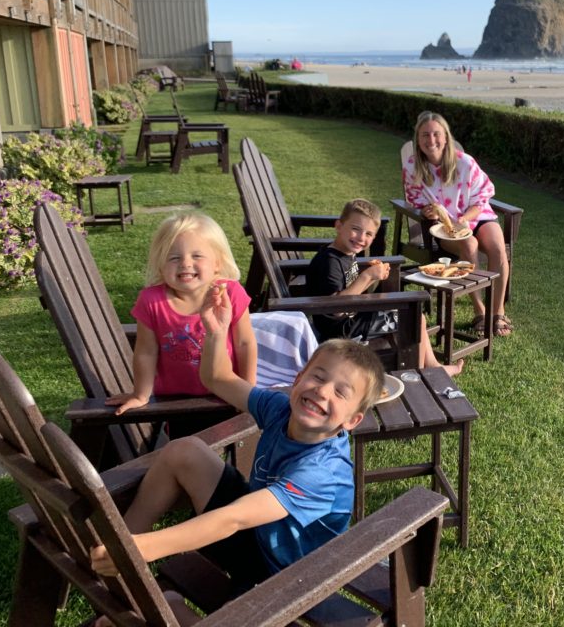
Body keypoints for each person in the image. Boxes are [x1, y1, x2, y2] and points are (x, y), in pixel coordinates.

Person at [89, 291, 383, 609]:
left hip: (284, 579)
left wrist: (146, 549)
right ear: (297, 379)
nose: (322, 391)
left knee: (171, 610)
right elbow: (217, 378)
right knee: (184, 451)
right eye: (317, 376)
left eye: (341, 392)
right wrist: (216, 333)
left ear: (353, 420)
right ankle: (117, 552)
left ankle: (133, 560)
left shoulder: (323, 473)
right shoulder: (280, 408)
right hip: (257, 539)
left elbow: (233, 519)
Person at [107, 211, 257, 415]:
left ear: (217, 263)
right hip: (175, 403)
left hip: (228, 395)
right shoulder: (152, 302)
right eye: (174, 258)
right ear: (161, 266)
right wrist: (140, 395)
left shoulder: (230, 293)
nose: (185, 263)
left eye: (197, 256)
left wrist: (248, 392)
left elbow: (244, 343)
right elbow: (146, 352)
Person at [306, 199, 463, 375]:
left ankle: (432, 366)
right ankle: (419, 376)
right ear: (339, 226)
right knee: (413, 318)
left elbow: (350, 289)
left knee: (415, 316)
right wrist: (367, 275)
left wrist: (373, 279)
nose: (361, 238)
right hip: (342, 330)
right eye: (355, 229)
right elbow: (335, 308)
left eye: (368, 234)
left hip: (353, 320)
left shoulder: (346, 254)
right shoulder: (329, 262)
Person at [402, 111, 512, 337]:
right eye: (425, 135)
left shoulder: (465, 162)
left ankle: (498, 311)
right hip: (446, 228)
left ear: (445, 137)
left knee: (497, 247)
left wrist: (463, 219)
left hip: (476, 216)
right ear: (418, 139)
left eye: (436, 134)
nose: (431, 140)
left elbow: (482, 197)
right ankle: (480, 310)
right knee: (469, 245)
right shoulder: (413, 167)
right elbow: (415, 200)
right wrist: (428, 210)